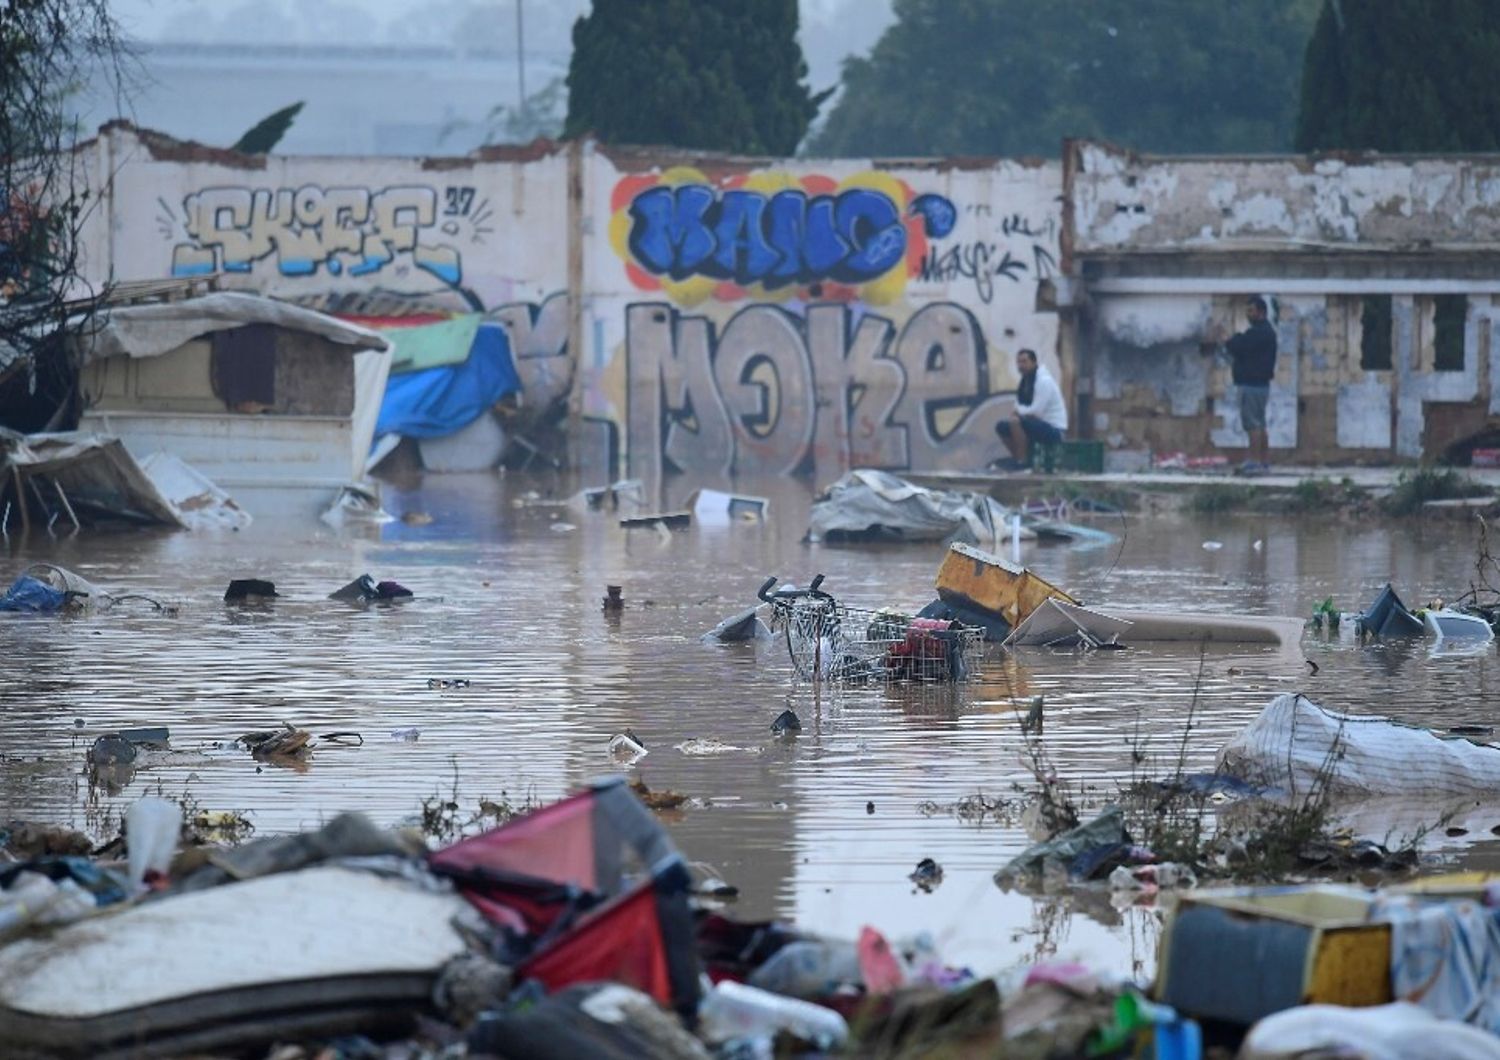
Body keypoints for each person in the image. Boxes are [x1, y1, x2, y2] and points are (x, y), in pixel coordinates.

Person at [1210, 296, 1278, 472]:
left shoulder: (1259, 333)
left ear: (1261, 312)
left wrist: (1226, 338)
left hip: (1251, 385)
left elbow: (1239, 346)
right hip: (1260, 385)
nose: (1248, 314)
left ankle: (1255, 461)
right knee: (1260, 424)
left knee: (1252, 424)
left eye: (1251, 311)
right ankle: (1263, 461)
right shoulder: (1264, 331)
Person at [994, 348, 1067, 470]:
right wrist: (1019, 412)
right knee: (1001, 426)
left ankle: (1023, 463)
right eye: (1019, 362)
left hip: (1054, 429)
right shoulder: (1025, 381)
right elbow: (1018, 406)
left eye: (1024, 361)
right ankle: (1018, 458)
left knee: (1015, 422)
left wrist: (1019, 413)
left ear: (1033, 362)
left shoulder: (1044, 381)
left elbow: (1037, 411)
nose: (1021, 365)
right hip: (1035, 424)